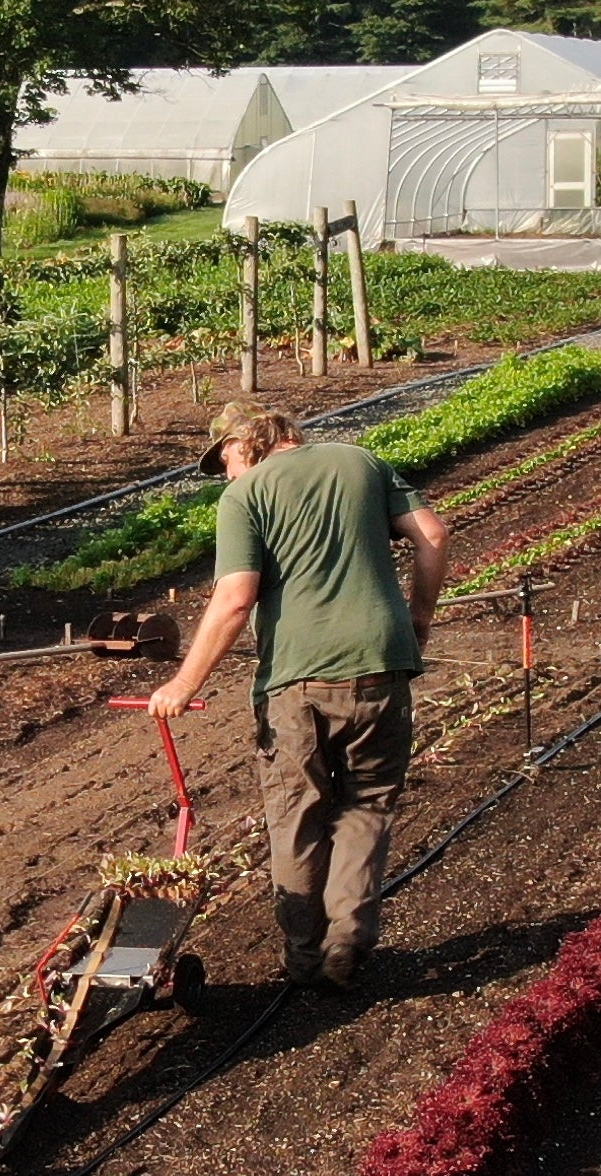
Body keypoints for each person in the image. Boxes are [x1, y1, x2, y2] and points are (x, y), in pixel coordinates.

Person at [149, 399, 449, 990]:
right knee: (366, 805)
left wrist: (185, 681)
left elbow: (236, 597)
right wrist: (419, 615)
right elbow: (433, 536)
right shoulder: (363, 462)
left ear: (246, 444)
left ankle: (306, 958)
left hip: (297, 680)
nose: (227, 475)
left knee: (296, 816)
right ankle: (348, 941)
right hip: (381, 665)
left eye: (226, 460)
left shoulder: (247, 495)